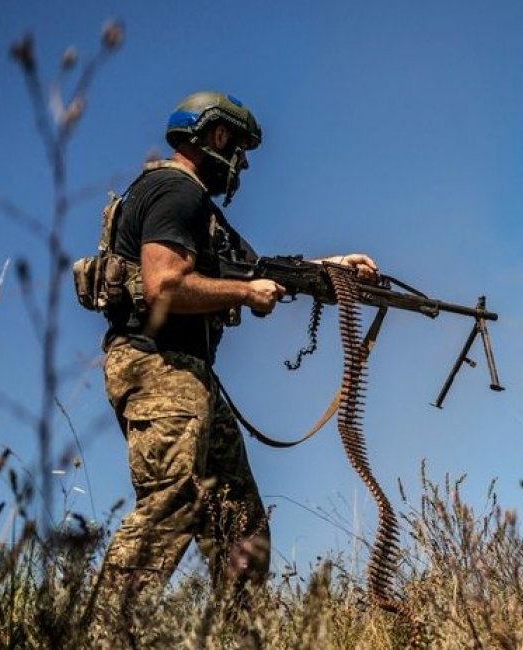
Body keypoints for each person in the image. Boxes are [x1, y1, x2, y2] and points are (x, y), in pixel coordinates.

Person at [92, 91, 377, 635]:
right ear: (216, 137)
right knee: (171, 502)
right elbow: (163, 285)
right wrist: (244, 296)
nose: (241, 164)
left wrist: (331, 268)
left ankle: (232, 638)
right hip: (159, 368)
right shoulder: (176, 191)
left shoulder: (199, 209)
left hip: (189, 375)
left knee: (242, 528)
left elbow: (257, 267)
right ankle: (99, 637)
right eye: (239, 149)